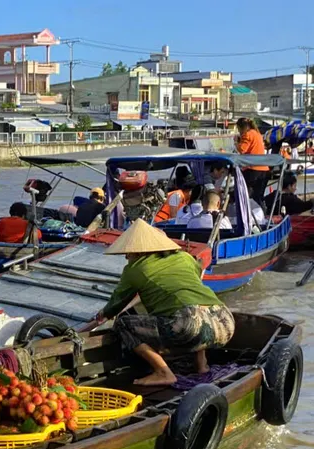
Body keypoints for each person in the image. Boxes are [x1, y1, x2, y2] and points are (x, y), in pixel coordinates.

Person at [88, 220, 234, 386]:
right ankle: (202, 366)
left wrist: (103, 314)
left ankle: (163, 372)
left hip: (191, 325)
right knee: (191, 310)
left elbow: (117, 303)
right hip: (225, 321)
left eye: (129, 251)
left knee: (123, 324)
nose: (126, 256)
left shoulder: (135, 269)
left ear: (140, 250)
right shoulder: (185, 257)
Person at [235, 117, 270, 203]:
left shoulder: (247, 134)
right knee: (258, 197)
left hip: (253, 169)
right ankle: (262, 213)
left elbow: (242, 150)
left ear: (241, 128)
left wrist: (236, 143)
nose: (239, 132)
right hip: (263, 169)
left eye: (239, 129)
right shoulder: (257, 133)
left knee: (244, 193)